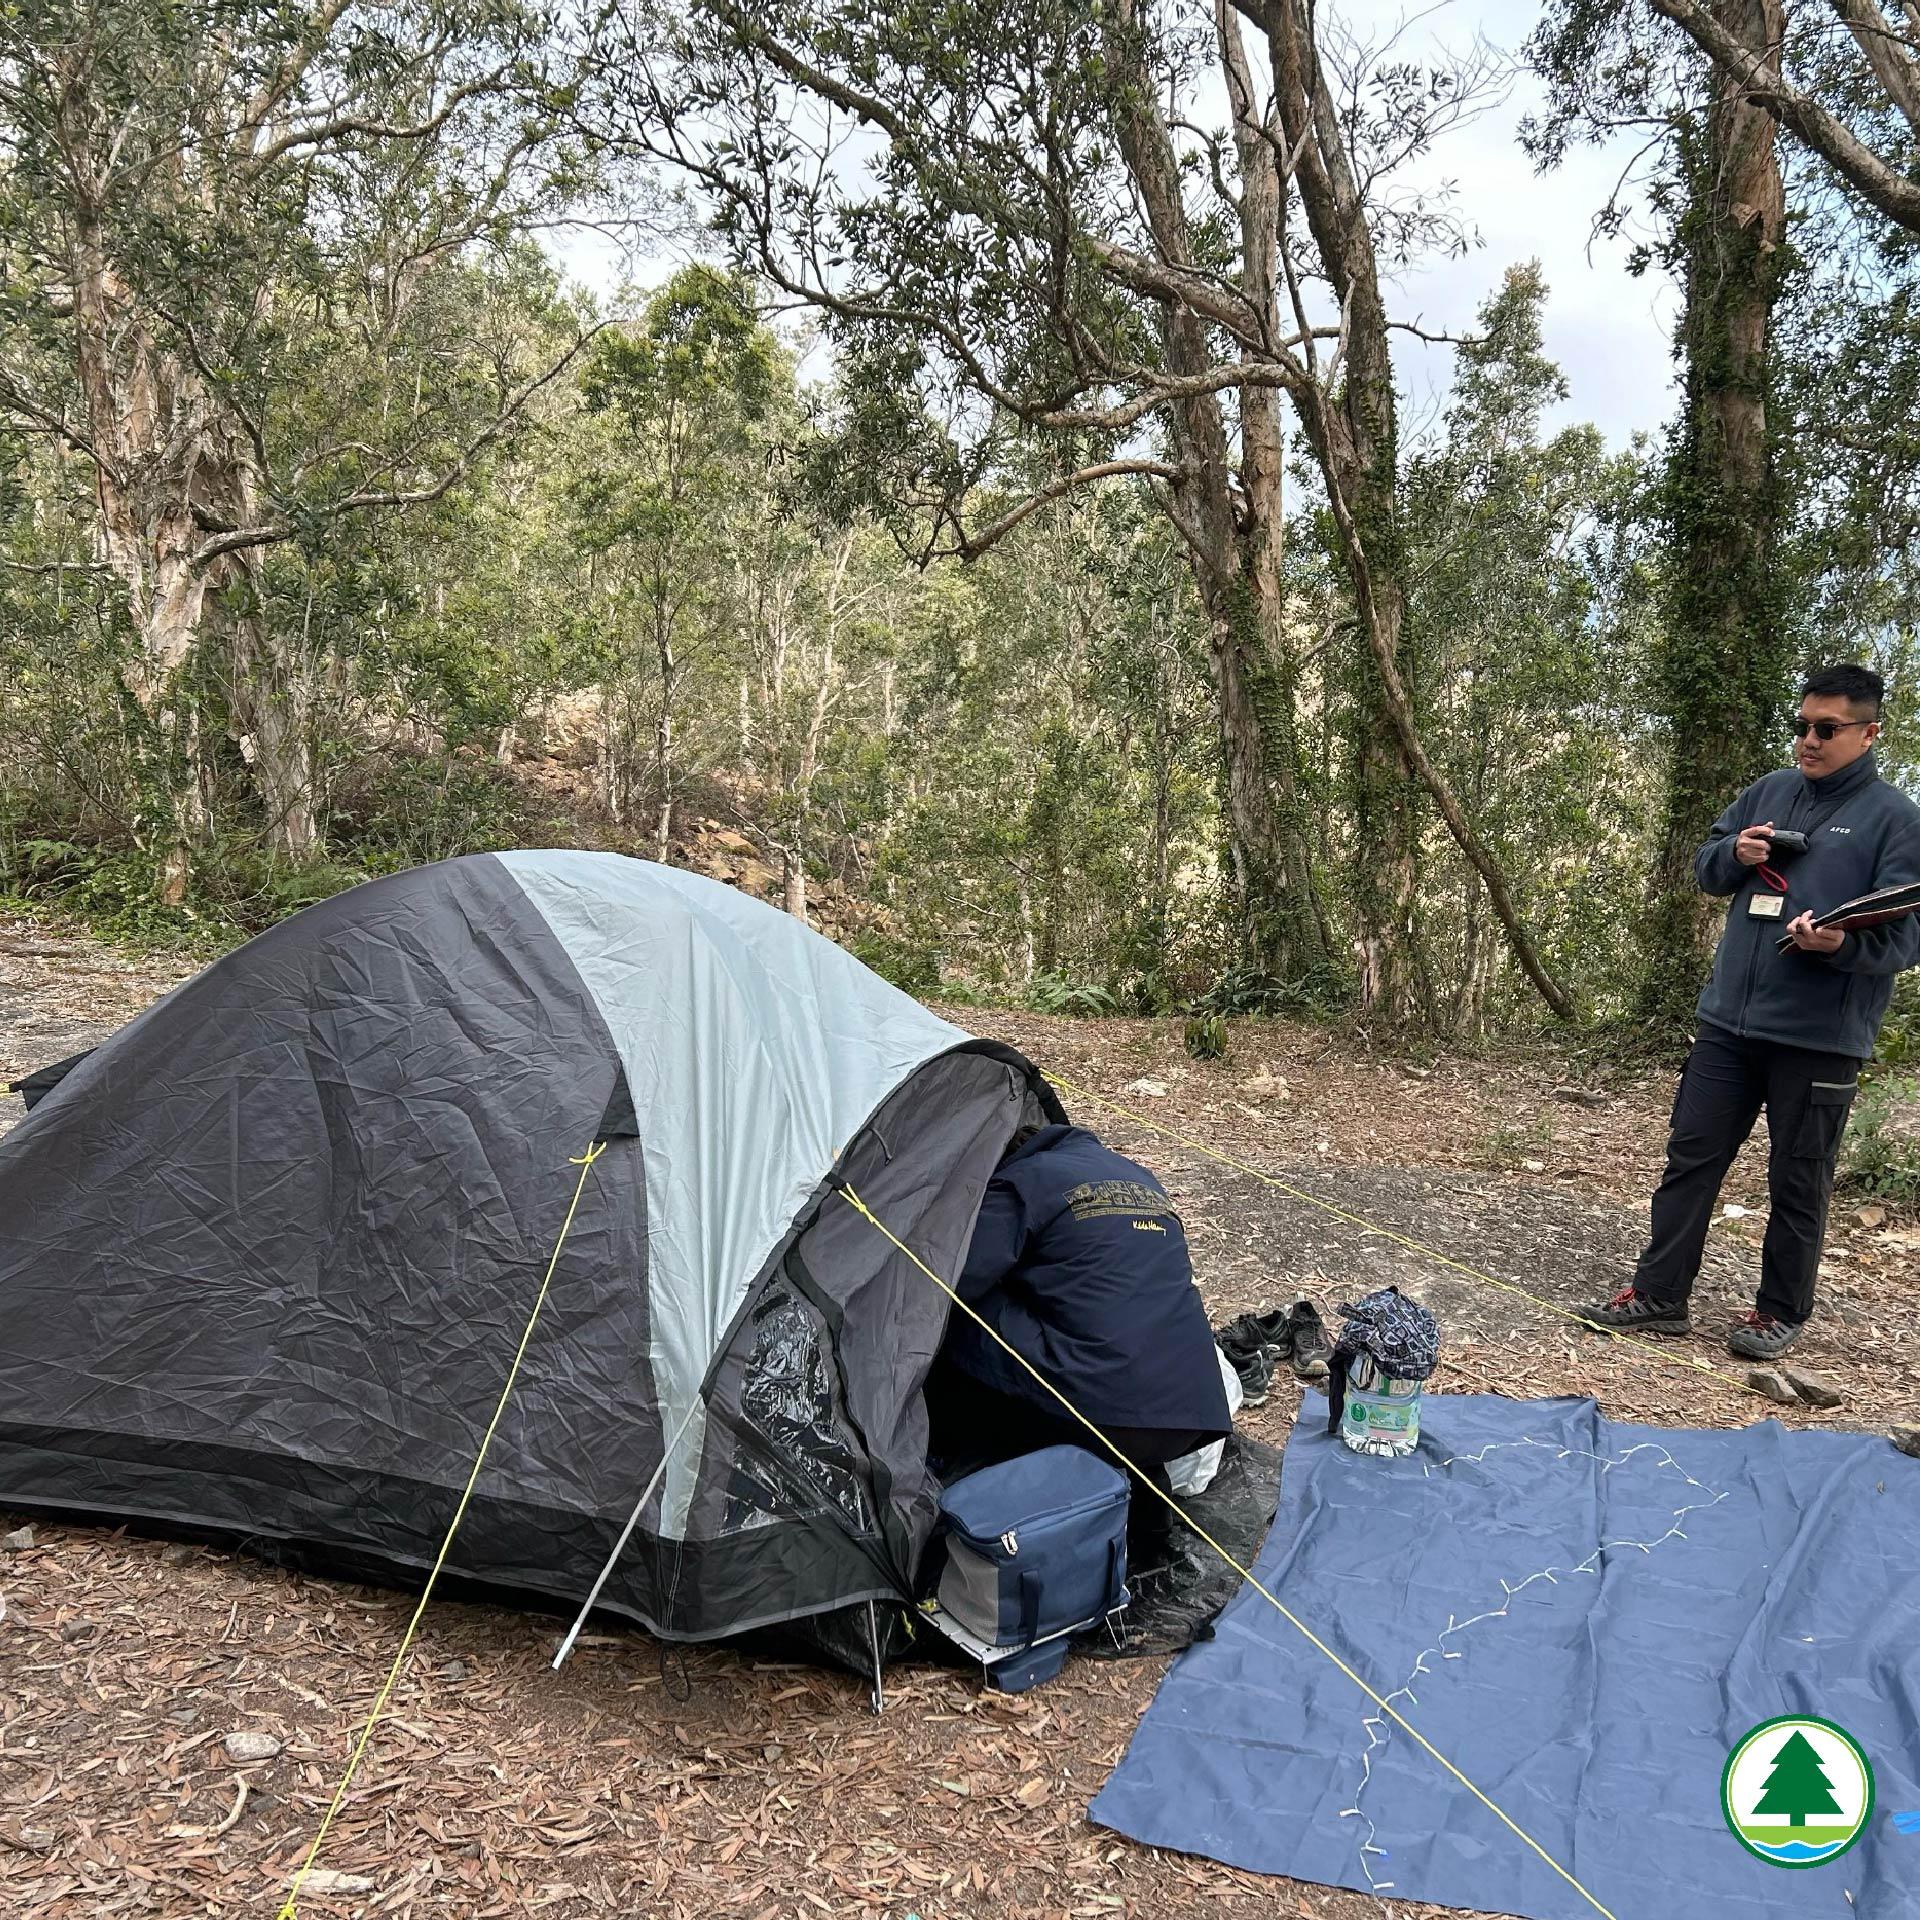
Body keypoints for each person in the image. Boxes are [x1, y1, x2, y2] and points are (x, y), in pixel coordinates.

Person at [1580, 664, 1920, 1359]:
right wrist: (1733, 853)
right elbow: (1704, 868)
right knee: (1690, 1159)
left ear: (1868, 732)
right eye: (1801, 725)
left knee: (1798, 1178)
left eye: (1827, 729)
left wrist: (1835, 946)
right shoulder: (1769, 791)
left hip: (1820, 1039)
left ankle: (1778, 1313)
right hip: (1728, 1028)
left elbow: (1905, 935)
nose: (1809, 740)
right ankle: (1660, 1294)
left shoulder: (1896, 820)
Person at [925, 1122, 1231, 1524]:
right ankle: (1139, 1497)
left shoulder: (1022, 1180)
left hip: (1103, 1415)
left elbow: (948, 1281)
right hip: (1194, 1415)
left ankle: (950, 1444)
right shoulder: (1140, 1178)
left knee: (953, 1305)